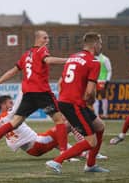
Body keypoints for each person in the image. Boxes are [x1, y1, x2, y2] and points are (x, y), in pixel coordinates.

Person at [0, 30, 68, 159]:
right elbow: (48, 60)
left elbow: (12, 72)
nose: (47, 40)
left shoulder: (26, 55)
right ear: (37, 39)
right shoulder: (41, 50)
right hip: (42, 93)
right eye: (45, 38)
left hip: (28, 94)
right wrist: (69, 60)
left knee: (14, 122)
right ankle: (64, 153)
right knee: (60, 121)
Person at [46, 32, 109, 174]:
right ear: (95, 44)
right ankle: (57, 161)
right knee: (91, 141)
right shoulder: (94, 62)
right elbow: (89, 92)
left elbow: (60, 83)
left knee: (99, 126)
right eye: (100, 43)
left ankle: (91, 165)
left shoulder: (72, 58)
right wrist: (90, 100)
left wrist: (64, 100)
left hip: (66, 101)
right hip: (74, 103)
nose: (101, 46)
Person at [0, 91, 80, 162]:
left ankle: (82, 153)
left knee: (56, 140)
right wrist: (23, 90)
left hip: (32, 150)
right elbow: (17, 105)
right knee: (68, 124)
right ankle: (80, 147)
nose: (12, 104)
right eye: (10, 102)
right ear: (4, 105)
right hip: (38, 143)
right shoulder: (10, 114)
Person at [93, 53, 112, 118]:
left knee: (103, 96)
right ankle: (96, 114)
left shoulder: (105, 59)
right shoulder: (92, 58)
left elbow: (109, 70)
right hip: (94, 80)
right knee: (94, 97)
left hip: (102, 80)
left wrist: (107, 80)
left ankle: (105, 114)